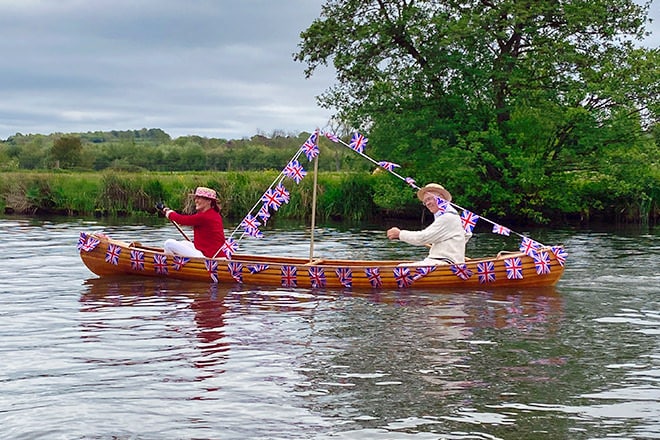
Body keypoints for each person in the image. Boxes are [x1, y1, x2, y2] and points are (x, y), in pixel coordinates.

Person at [387, 183, 471, 265]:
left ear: (441, 198)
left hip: (445, 263)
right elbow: (466, 235)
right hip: (445, 262)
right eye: (425, 201)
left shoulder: (448, 217)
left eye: (429, 199)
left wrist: (400, 234)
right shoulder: (452, 217)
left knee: (400, 268)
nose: (427, 203)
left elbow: (422, 238)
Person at [162, 186, 226, 259]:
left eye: (199, 198)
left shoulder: (205, 216)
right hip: (208, 253)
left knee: (168, 243)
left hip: (208, 257)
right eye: (196, 198)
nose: (196, 201)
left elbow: (182, 220)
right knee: (184, 243)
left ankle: (170, 265)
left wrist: (169, 213)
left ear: (209, 201)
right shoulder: (214, 214)